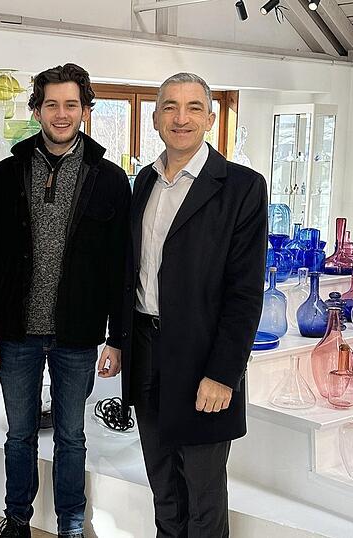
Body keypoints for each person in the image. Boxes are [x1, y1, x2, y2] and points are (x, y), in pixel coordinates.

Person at [0, 64, 131, 538]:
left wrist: (116, 339)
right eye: (52, 104)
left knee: (71, 436)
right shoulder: (5, 174)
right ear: (37, 109)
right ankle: (16, 518)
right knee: (18, 434)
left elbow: (121, 268)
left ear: (86, 110)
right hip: (14, 332)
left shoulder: (109, 179)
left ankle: (71, 524)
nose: (62, 114)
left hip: (76, 334)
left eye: (72, 104)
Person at [119, 73, 267, 538]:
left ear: (210, 117)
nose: (180, 118)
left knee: (202, 496)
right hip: (146, 351)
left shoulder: (241, 186)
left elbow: (245, 293)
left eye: (192, 108)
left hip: (202, 358)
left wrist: (224, 372)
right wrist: (116, 340)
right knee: (163, 487)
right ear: (156, 117)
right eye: (169, 107)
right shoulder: (143, 182)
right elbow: (132, 272)